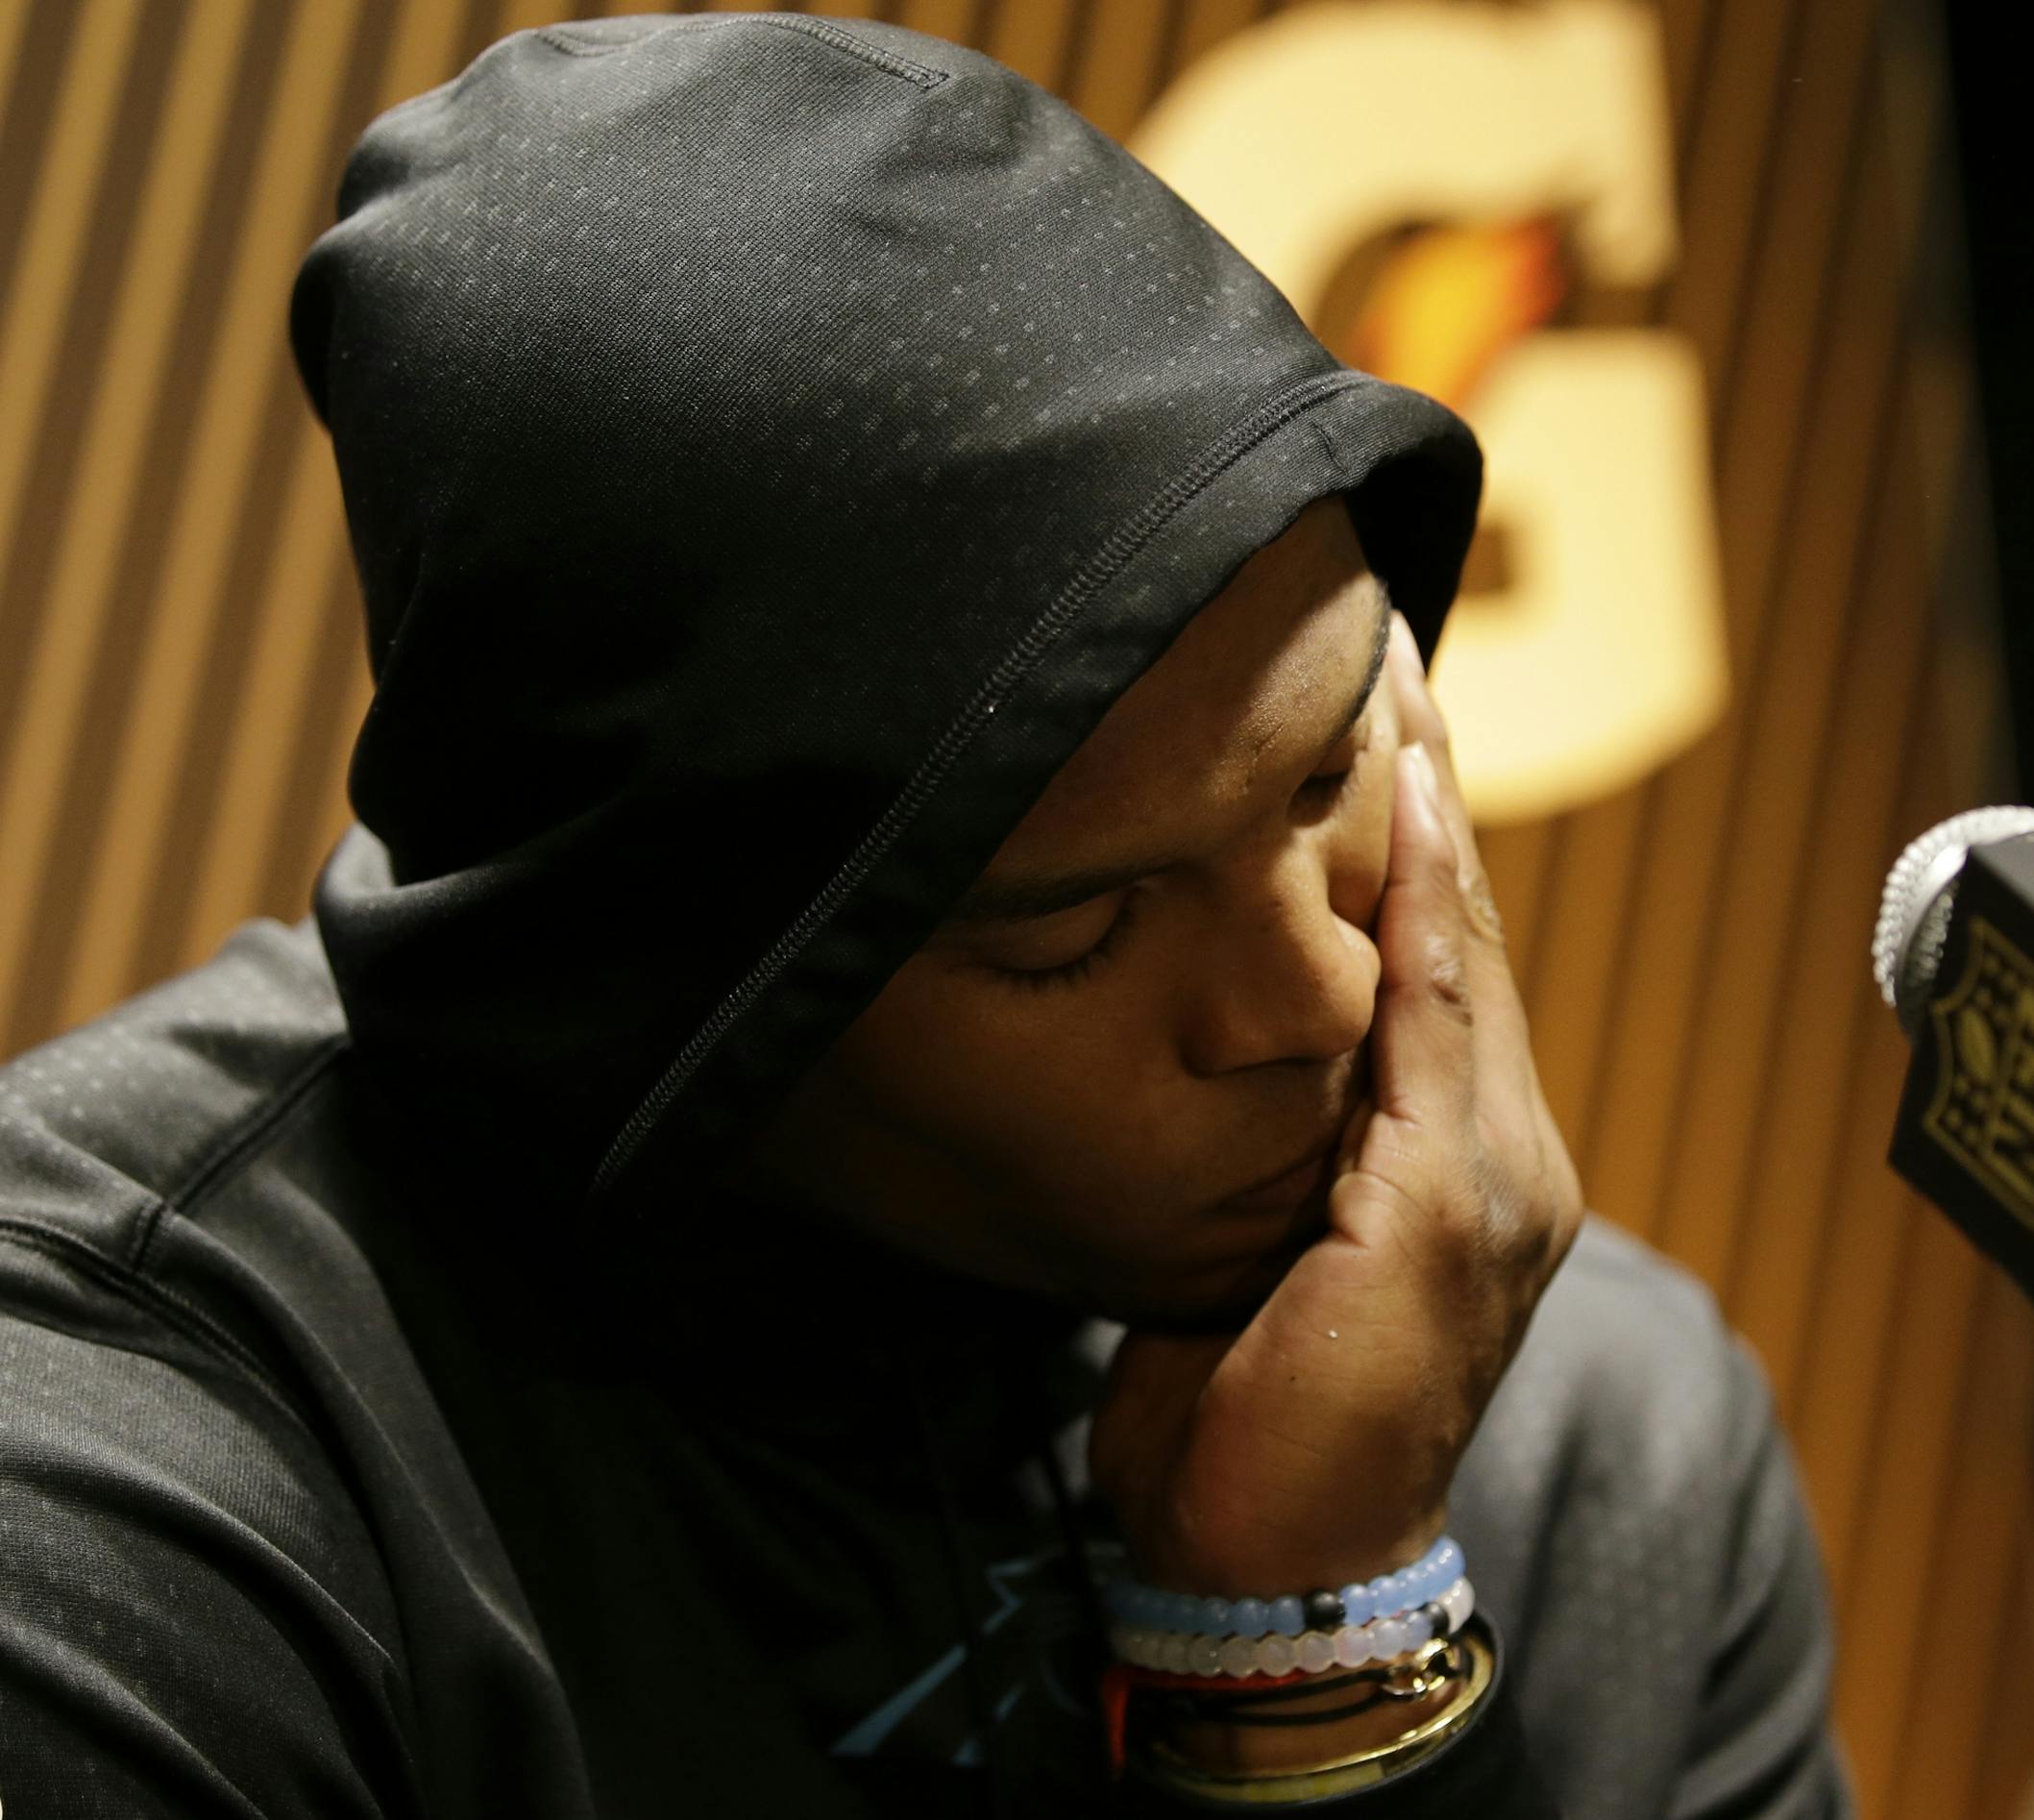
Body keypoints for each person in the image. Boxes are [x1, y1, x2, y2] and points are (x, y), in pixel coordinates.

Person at [0, 13, 1849, 1816]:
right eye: (1074, 929)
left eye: (1322, 776)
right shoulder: (125, 1491)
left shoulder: (1596, 1421)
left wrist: (1326, 1609)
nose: (1321, 990)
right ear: (678, 987)